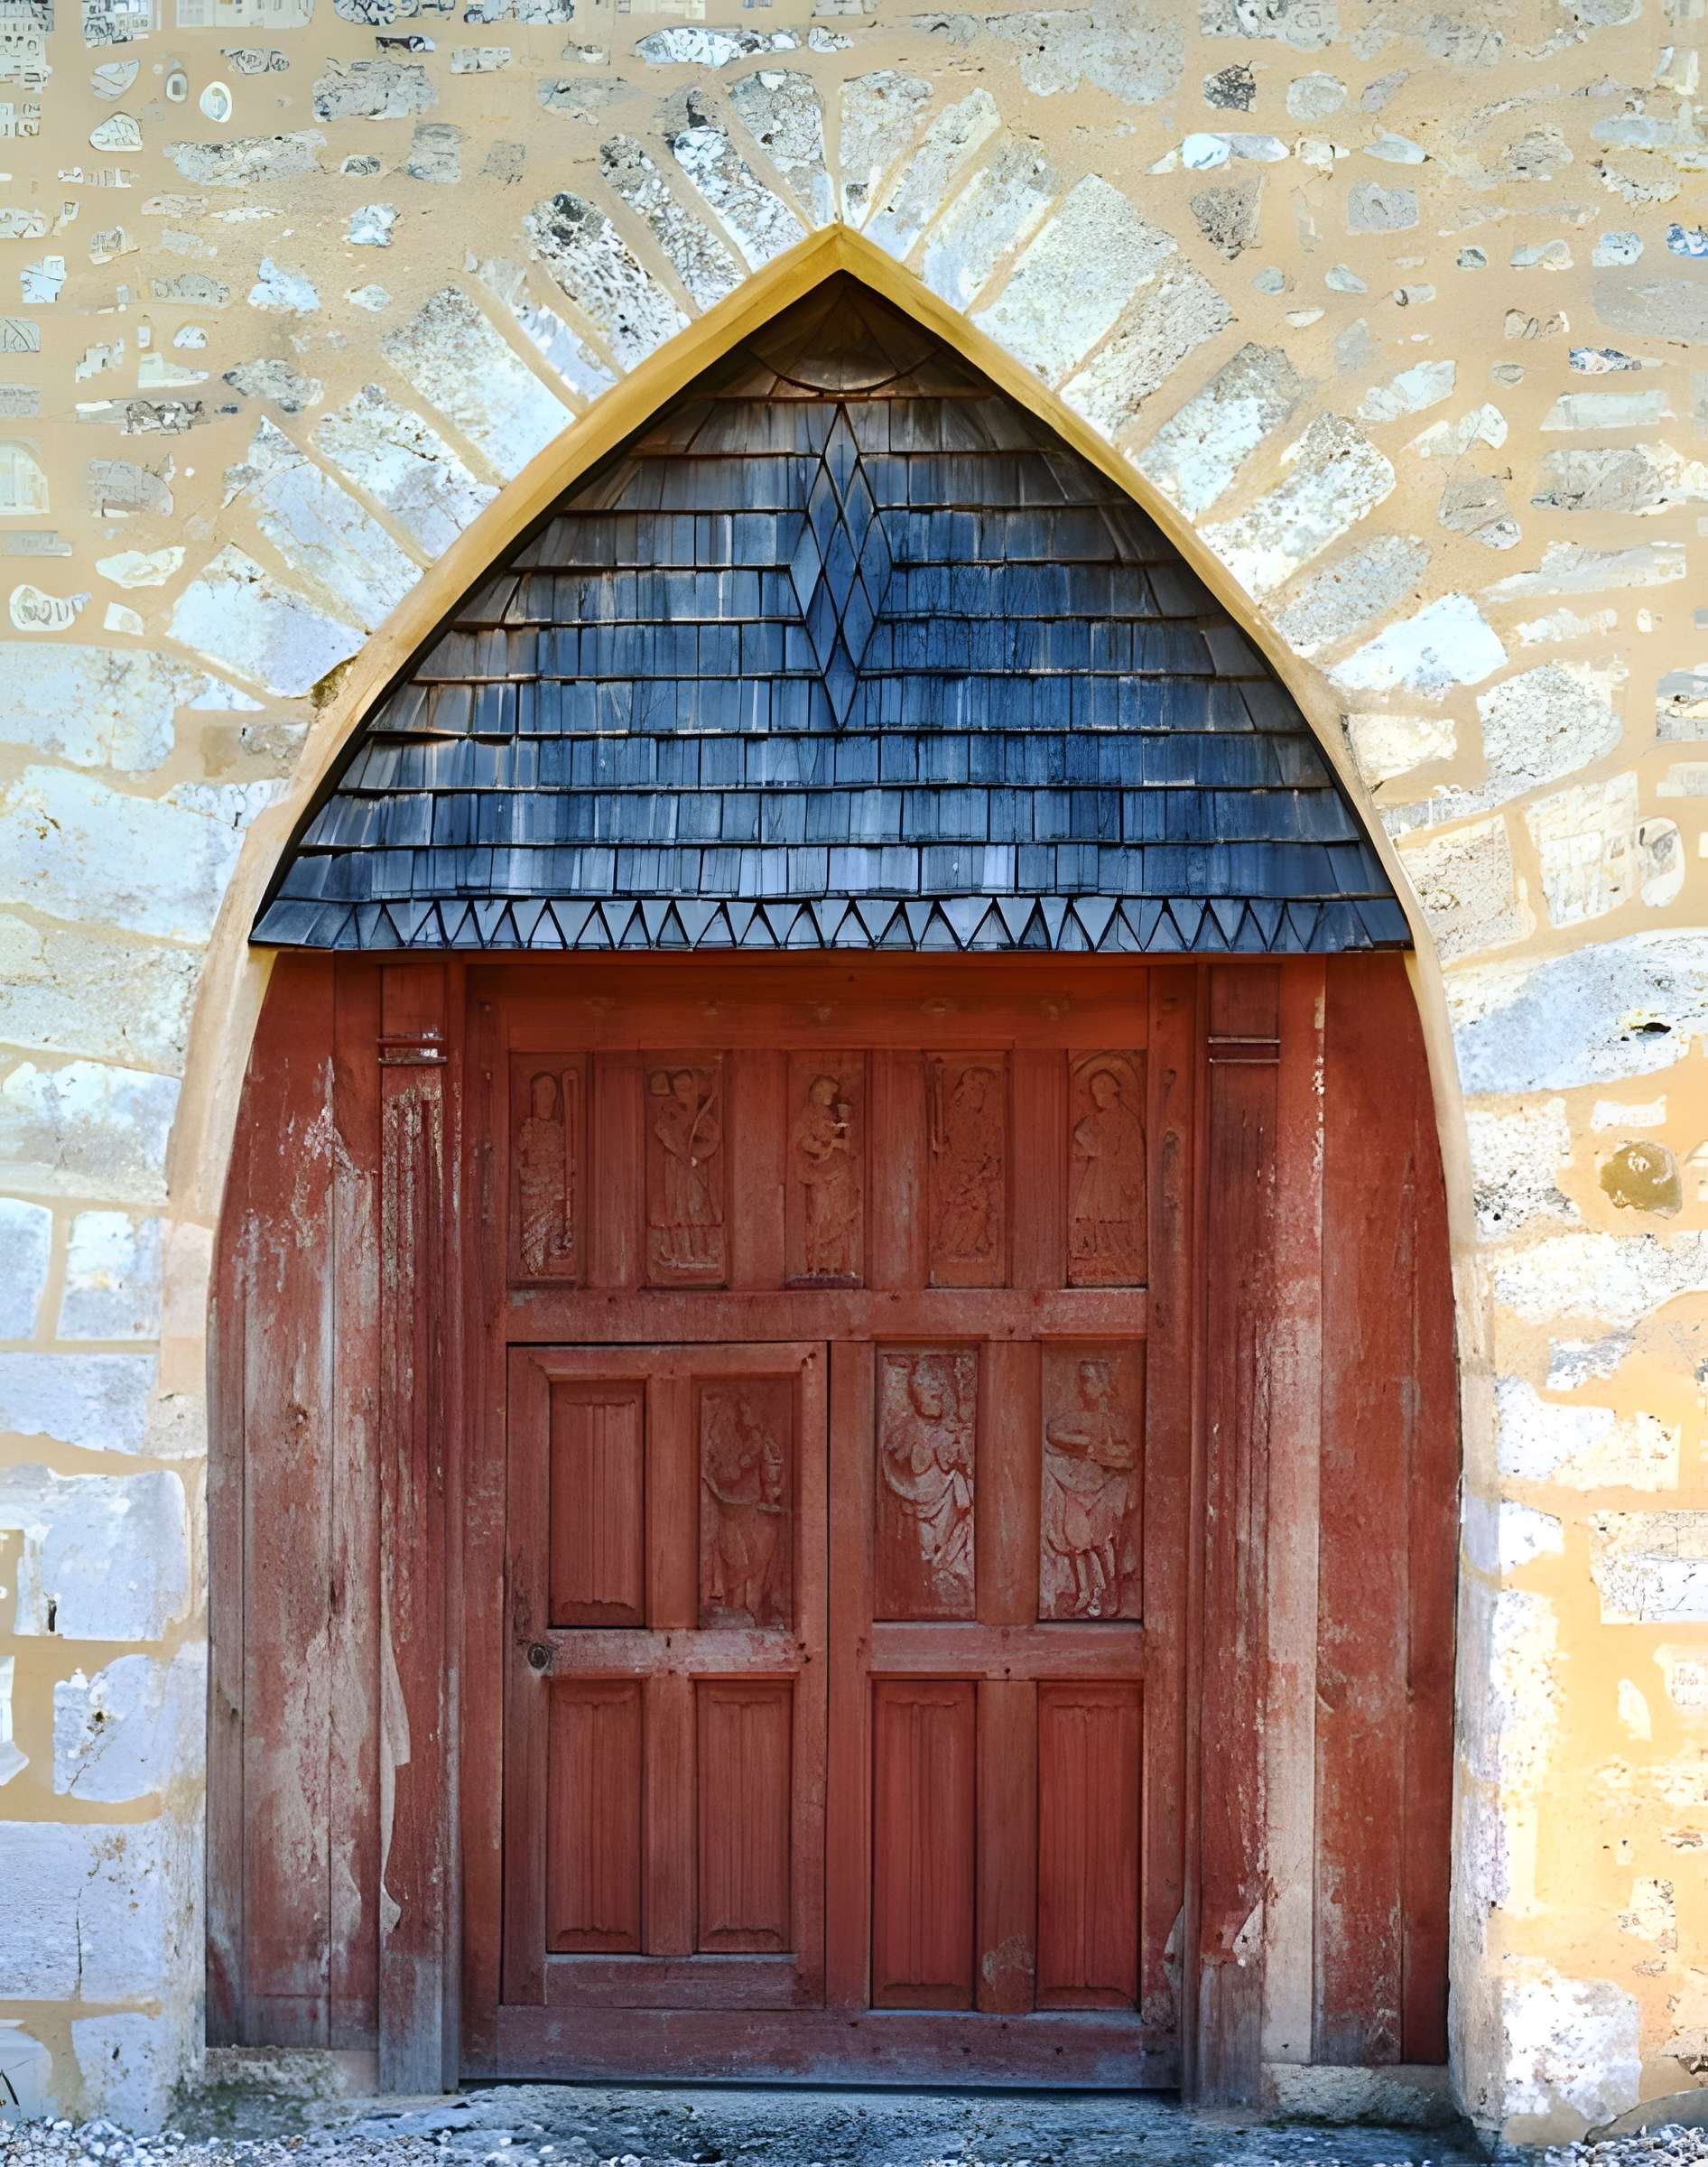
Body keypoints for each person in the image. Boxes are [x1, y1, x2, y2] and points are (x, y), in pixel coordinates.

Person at [1042, 1357, 1138, 1617]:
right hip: (1077, 1484)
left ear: (1105, 1385)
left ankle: (1110, 1593)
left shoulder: (1117, 1421)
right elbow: (1052, 1431)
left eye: (1089, 1380)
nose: (1084, 1387)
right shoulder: (1077, 1417)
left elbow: (1129, 1455)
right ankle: (1086, 1592)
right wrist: (1082, 1442)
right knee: (1077, 1540)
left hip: (1106, 1486)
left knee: (1103, 1541)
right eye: (1082, 1380)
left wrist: (1107, 1453)